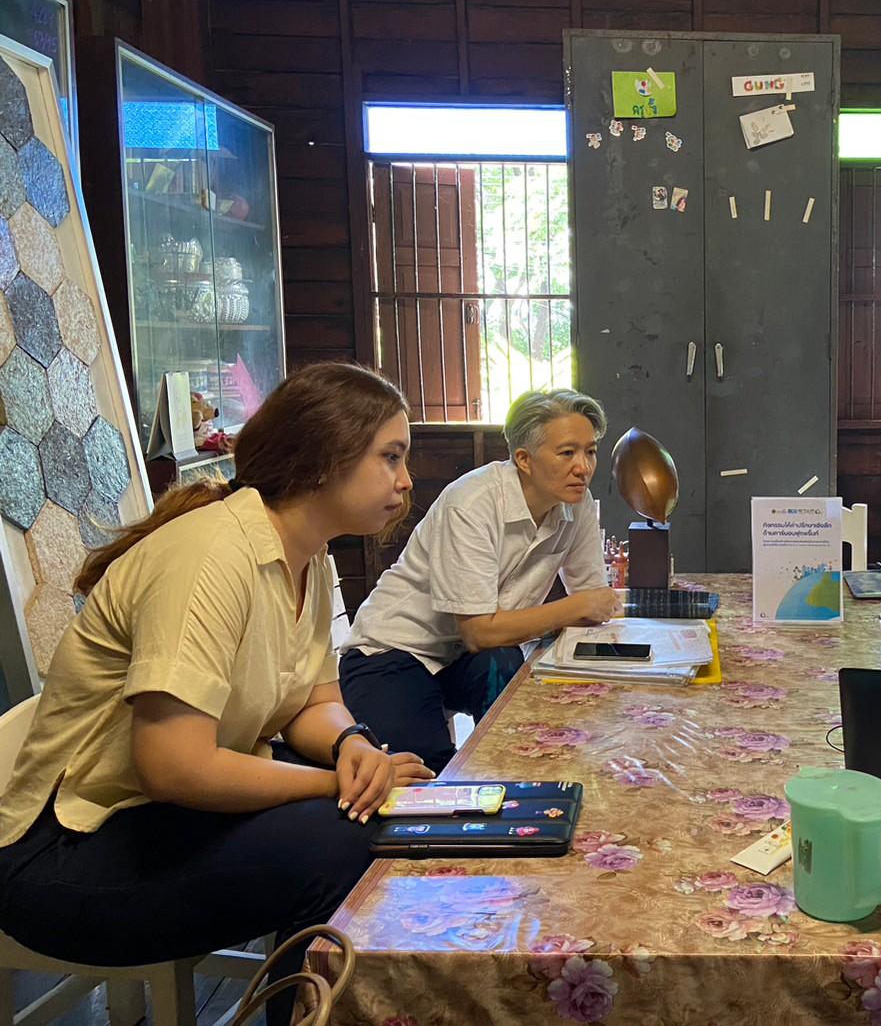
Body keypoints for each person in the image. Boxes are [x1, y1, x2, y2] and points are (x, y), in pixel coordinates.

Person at [0, 362, 434, 1026]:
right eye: (391, 456)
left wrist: (351, 744)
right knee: (345, 839)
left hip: (157, 815)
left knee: (375, 813)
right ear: (323, 458)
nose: (405, 480)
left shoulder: (308, 555)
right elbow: (174, 766)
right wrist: (333, 785)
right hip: (63, 852)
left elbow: (312, 701)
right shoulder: (211, 555)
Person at [340, 388, 622, 773]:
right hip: (393, 653)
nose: (583, 467)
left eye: (590, 451)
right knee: (423, 777)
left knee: (534, 727)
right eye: (567, 452)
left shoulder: (577, 503)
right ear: (524, 459)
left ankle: (509, 778)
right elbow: (479, 631)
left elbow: (593, 602)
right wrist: (576, 606)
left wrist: (590, 611)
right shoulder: (472, 502)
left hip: (464, 658)